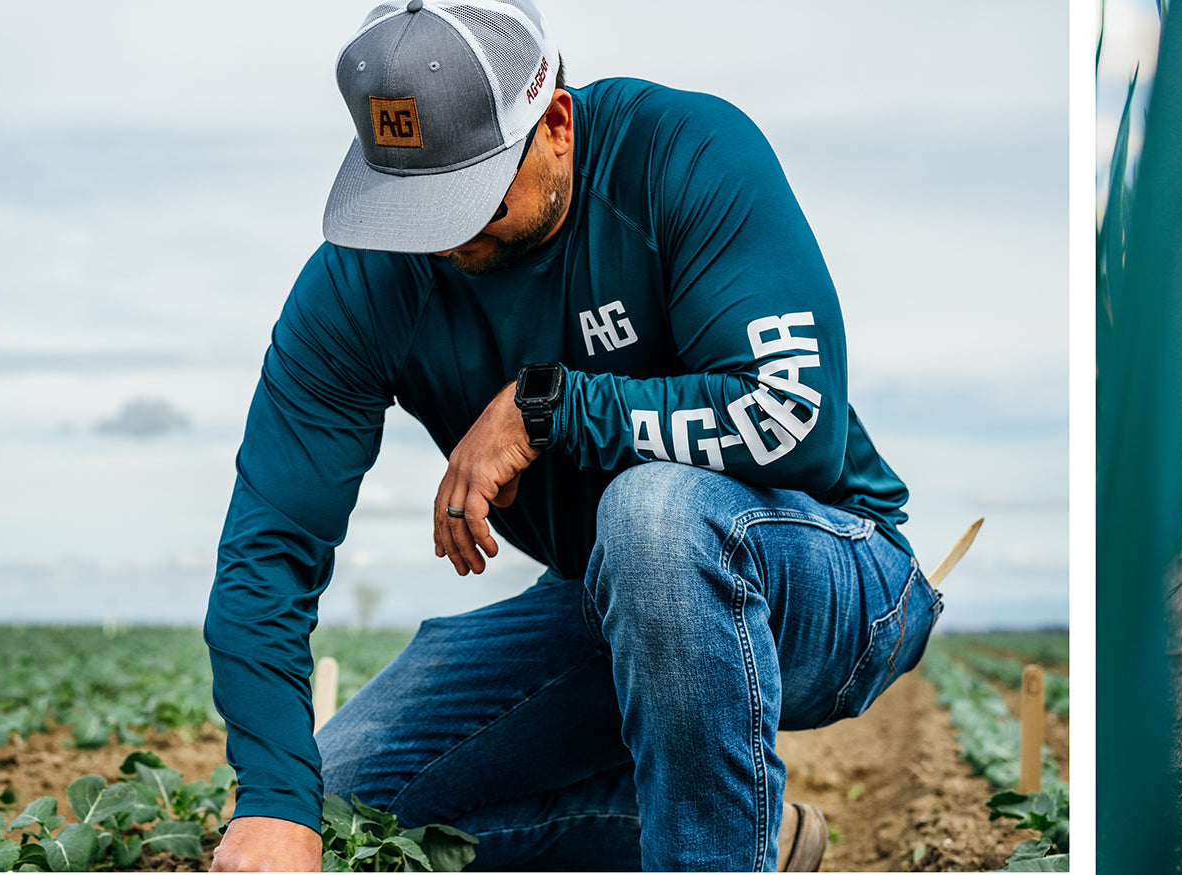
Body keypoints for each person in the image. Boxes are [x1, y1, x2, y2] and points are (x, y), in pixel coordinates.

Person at [204, 0, 940, 869]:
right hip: (611, 605)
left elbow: (792, 417)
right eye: (412, 203)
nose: (438, 239)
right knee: (343, 805)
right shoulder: (360, 286)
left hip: (830, 580)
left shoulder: (684, 155)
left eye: (468, 198)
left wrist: (548, 405)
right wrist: (274, 802)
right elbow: (269, 548)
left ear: (554, 120)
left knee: (653, 514)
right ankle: (741, 832)